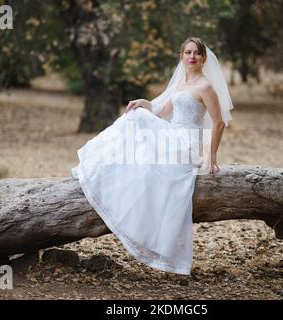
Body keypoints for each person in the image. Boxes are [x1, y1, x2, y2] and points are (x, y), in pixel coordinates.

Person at [71, 37, 233, 275]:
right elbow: (162, 112)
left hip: (187, 143)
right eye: (187, 52)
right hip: (173, 135)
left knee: (139, 125)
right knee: (136, 116)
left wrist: (212, 157)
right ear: (181, 57)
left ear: (203, 58)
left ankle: (106, 172)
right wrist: (144, 103)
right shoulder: (181, 84)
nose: (192, 57)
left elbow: (219, 123)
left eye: (197, 53)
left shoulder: (205, 86)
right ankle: (101, 168)